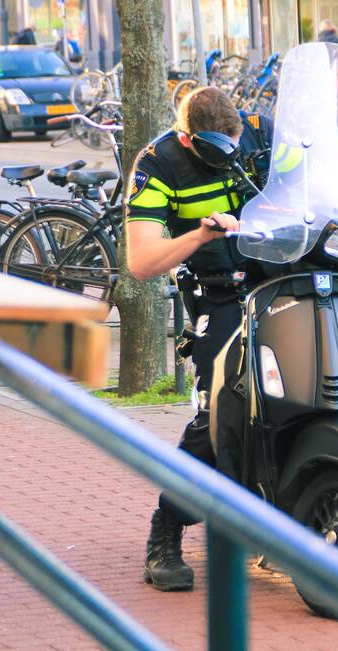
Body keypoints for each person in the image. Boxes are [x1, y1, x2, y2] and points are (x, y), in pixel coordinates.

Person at [125, 86, 274, 592]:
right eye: (219, 148)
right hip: (219, 296)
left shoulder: (262, 133)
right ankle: (168, 526)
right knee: (220, 407)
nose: (233, 153)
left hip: (280, 281)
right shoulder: (159, 163)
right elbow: (142, 262)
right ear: (189, 141)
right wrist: (201, 235)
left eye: (236, 142)